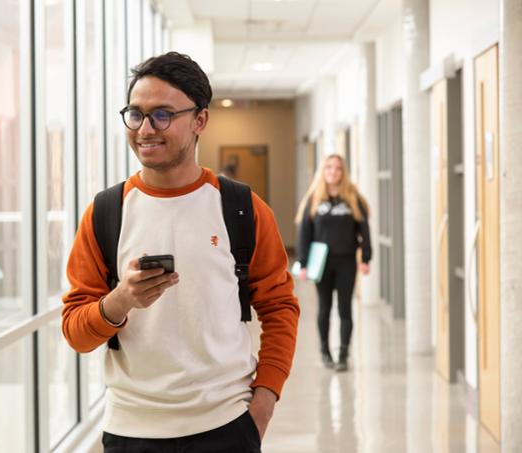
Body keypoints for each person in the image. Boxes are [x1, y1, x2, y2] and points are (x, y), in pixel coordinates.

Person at [62, 52, 300, 453]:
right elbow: (76, 333)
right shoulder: (106, 213)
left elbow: (279, 308)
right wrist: (120, 300)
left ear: (200, 120)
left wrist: (265, 401)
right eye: (135, 114)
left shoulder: (241, 208)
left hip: (225, 424)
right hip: (132, 429)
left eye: (162, 114)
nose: (145, 129)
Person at [295, 153, 371, 372]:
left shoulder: (352, 198)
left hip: (346, 261)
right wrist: (303, 262)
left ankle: (344, 354)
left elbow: (364, 230)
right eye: (329, 167)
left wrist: (365, 258)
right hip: (321, 263)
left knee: (345, 308)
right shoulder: (314, 199)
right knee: (324, 308)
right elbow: (304, 233)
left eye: (337, 168)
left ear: (343, 172)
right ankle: (325, 352)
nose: (333, 172)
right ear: (323, 171)